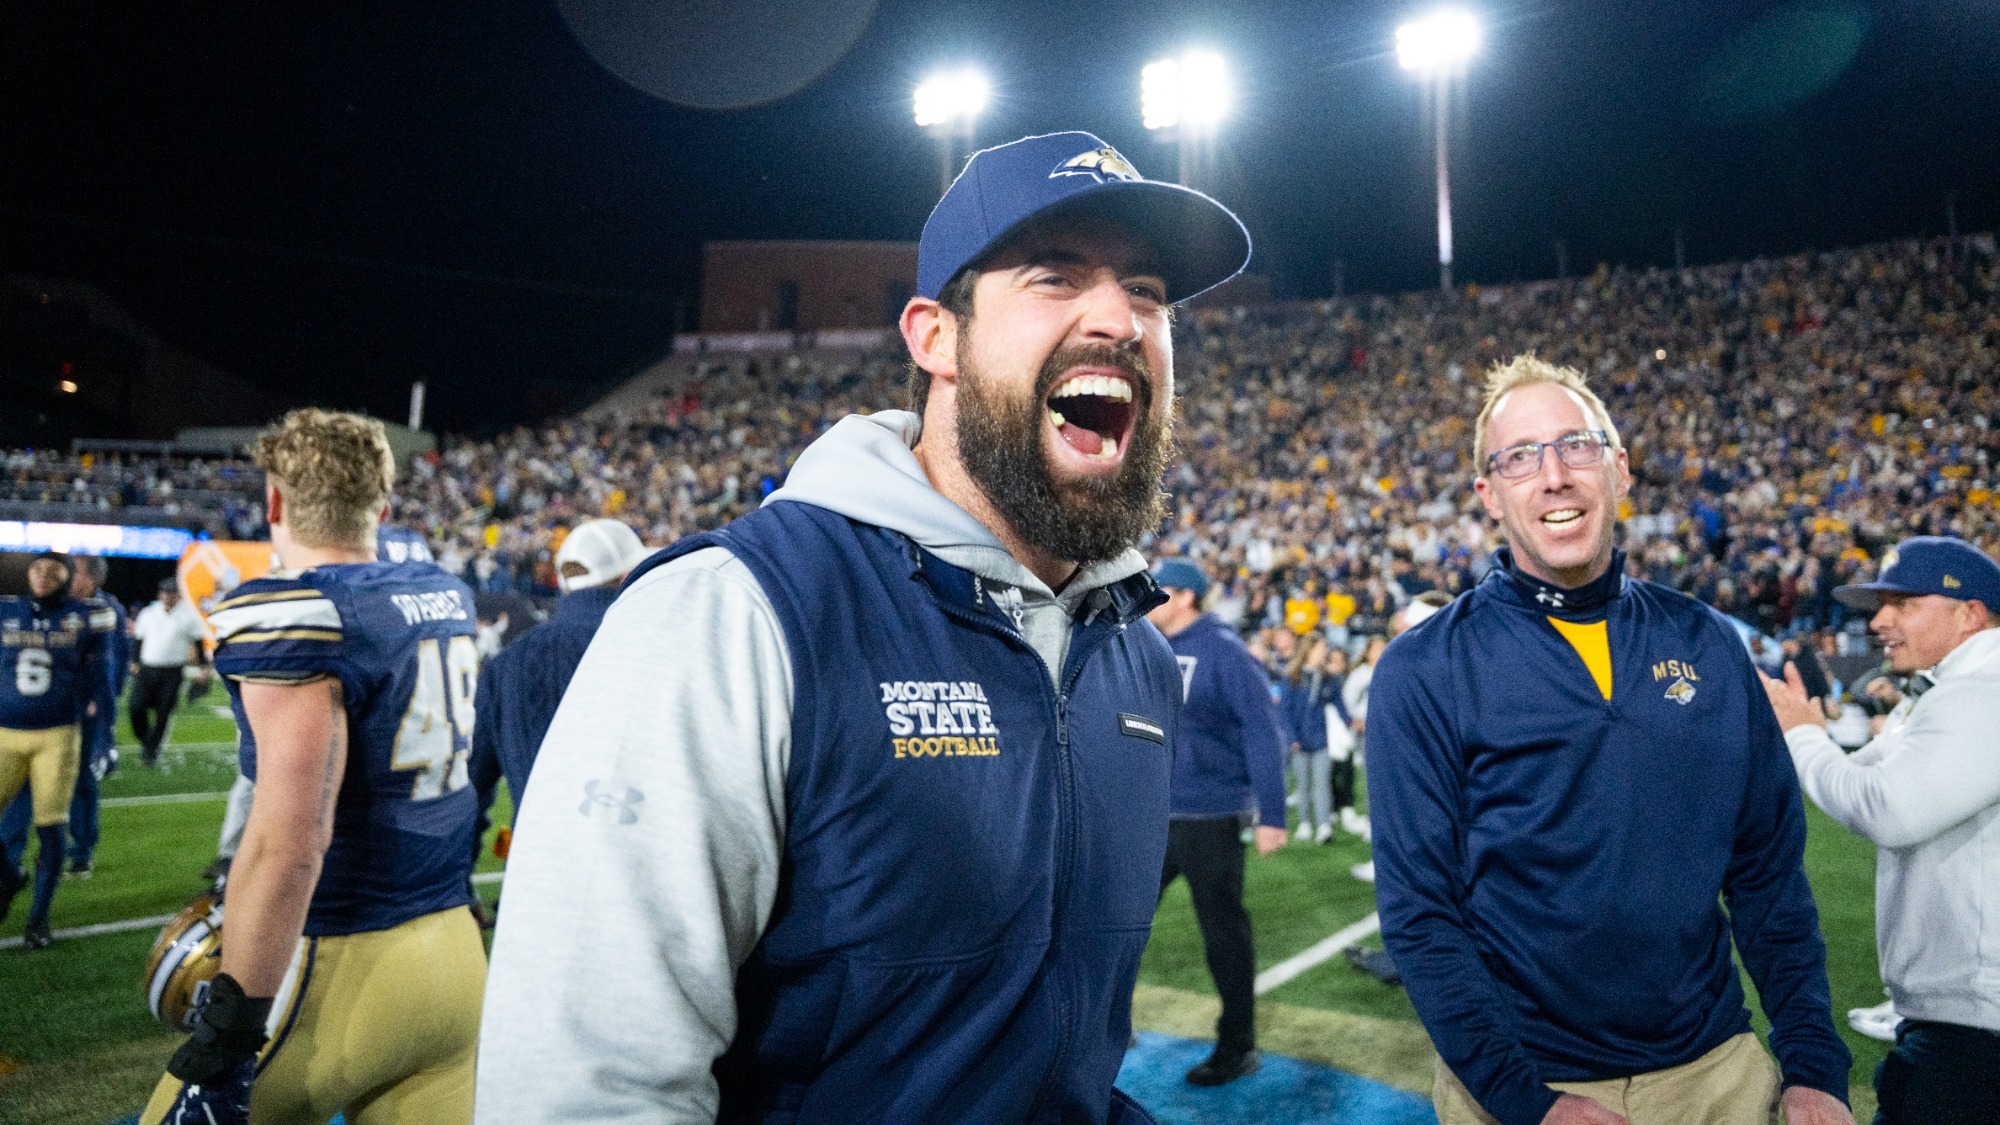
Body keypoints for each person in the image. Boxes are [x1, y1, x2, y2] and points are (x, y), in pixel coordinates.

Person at [478, 130, 1250, 1122]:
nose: (1120, 317)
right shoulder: (733, 611)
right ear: (935, 338)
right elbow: (583, 1090)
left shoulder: (1132, 653)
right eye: (1054, 278)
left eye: (1146, 290)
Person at [1366, 355, 1853, 1125]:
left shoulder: (1707, 641)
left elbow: (1768, 876)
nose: (1554, 475)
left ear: (1619, 470)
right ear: (1489, 494)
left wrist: (1816, 1067)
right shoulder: (1424, 667)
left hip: (1716, 1075)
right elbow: (1420, 912)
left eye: (1577, 445)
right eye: (1520, 457)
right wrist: (1528, 1102)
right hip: (1522, 1086)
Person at [141, 409, 486, 1125]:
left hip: (342, 961)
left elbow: (291, 843)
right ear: (381, 506)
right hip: (455, 956)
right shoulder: (442, 593)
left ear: (274, 501)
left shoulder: (296, 611)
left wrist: (229, 1036)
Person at [1763, 536, 2000, 1124]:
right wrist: (1801, 734)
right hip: (1958, 1022)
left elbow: (1883, 809)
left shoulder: (1985, 691)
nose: (1879, 622)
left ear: (1970, 614)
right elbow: (1855, 776)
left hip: (1978, 1033)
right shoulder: (1950, 689)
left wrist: (1803, 733)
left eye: (1903, 604)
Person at [1147, 557, 1288, 1085]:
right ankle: (1106, 1023)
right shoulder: (1149, 646)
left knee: (1223, 933)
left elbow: (1262, 730)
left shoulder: (1224, 650)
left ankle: (1237, 1045)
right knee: (1118, 923)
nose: (1149, 599)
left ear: (1186, 596)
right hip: (1155, 811)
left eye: (1159, 589)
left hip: (1211, 814)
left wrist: (1272, 812)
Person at [472, 517, 648, 813]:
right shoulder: (655, 645)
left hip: (535, 840)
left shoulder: (506, 664)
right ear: (629, 575)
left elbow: (472, 786)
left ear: (564, 583)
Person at [0, 552, 114, 948]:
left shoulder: (87, 616)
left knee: (51, 828)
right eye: (37, 568)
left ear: (66, 577)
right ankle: (10, 876)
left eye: (54, 570)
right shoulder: (7, 610)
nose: (44, 576)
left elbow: (101, 680)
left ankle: (38, 919)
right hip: (6, 731)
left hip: (57, 734)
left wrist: (105, 736)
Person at [129, 577, 208, 766]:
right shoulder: (148, 613)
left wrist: (203, 668)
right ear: (160, 594)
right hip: (148, 668)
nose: (168, 596)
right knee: (136, 707)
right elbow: (139, 639)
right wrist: (135, 662)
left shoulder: (187, 615)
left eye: (172, 593)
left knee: (164, 711)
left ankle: (151, 751)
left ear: (178, 595)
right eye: (165, 593)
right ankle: (147, 740)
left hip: (173, 670)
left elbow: (198, 642)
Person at [1282, 637, 1349, 844]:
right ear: (1309, 650)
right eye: (1320, 649)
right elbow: (1285, 711)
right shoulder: (1293, 676)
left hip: (1320, 738)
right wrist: (1291, 737)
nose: (1324, 653)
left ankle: (1323, 826)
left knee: (1322, 783)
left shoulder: (1327, 678)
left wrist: (1348, 722)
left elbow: (1338, 703)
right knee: (1302, 784)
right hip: (1299, 740)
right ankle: (1304, 823)